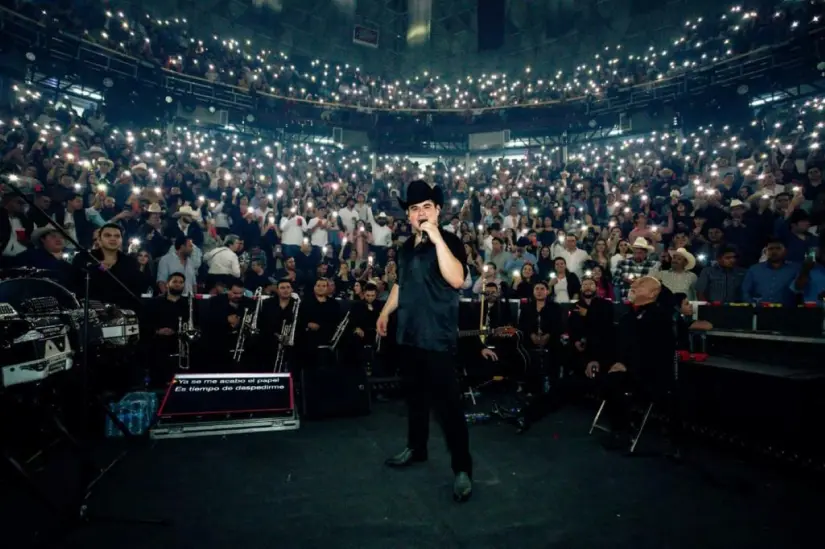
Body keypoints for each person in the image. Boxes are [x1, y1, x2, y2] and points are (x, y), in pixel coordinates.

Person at [376, 179, 473, 503]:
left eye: (426, 207)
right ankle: (416, 449)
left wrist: (435, 238)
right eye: (414, 209)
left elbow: (457, 279)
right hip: (410, 335)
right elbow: (401, 286)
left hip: (438, 338)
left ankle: (462, 469)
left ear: (438, 211)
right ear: (408, 215)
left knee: (449, 408)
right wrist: (386, 312)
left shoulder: (451, 242)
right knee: (415, 400)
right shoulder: (404, 249)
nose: (420, 213)